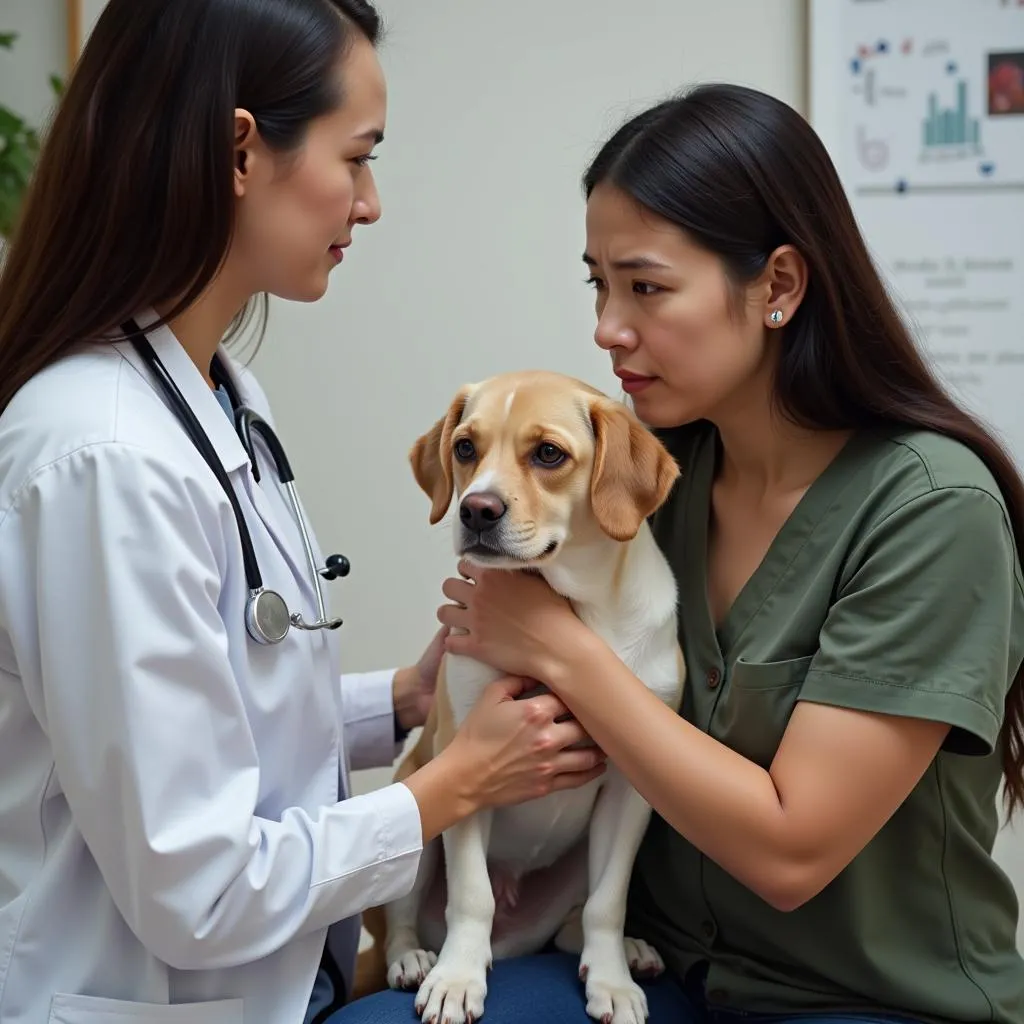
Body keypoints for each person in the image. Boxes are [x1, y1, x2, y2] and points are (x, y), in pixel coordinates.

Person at [338, 84, 1024, 1024]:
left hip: (864, 998)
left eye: (646, 287)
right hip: (661, 969)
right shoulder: (655, 477)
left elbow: (793, 852)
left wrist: (561, 649)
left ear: (778, 287)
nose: (607, 328)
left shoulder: (930, 511)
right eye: (599, 284)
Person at [0, 2, 609, 1023]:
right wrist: (445, 787)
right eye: (356, 157)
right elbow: (196, 887)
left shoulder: (218, 394)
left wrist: (409, 702)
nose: (368, 204)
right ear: (241, 150)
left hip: (290, 984)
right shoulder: (103, 454)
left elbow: (213, 708)